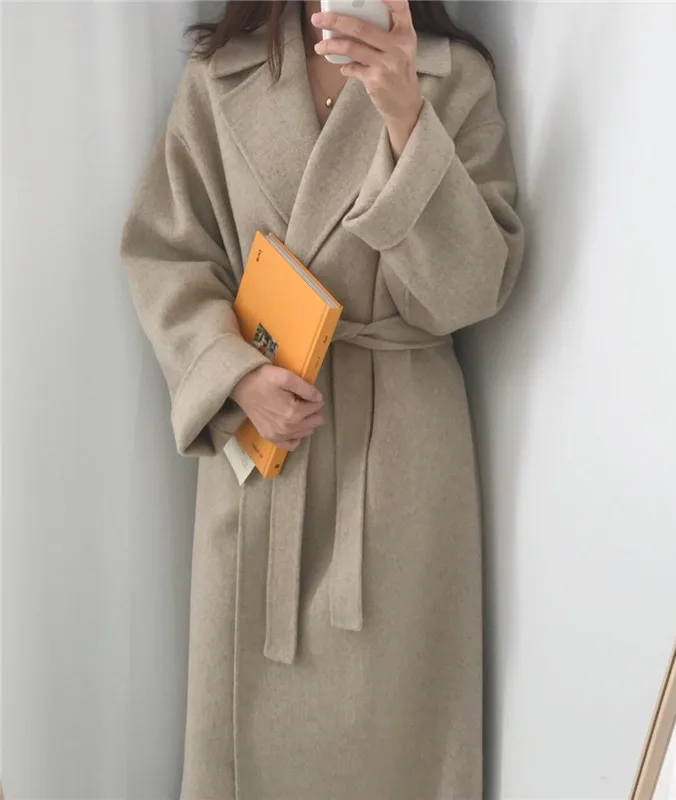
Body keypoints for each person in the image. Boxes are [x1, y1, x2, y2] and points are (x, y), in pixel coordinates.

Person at [120, 0, 524, 797]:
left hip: (401, 459)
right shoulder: (218, 77)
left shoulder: (455, 79)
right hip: (266, 442)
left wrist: (406, 117)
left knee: (401, 740)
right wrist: (235, 377)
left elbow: (471, 291)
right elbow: (166, 253)